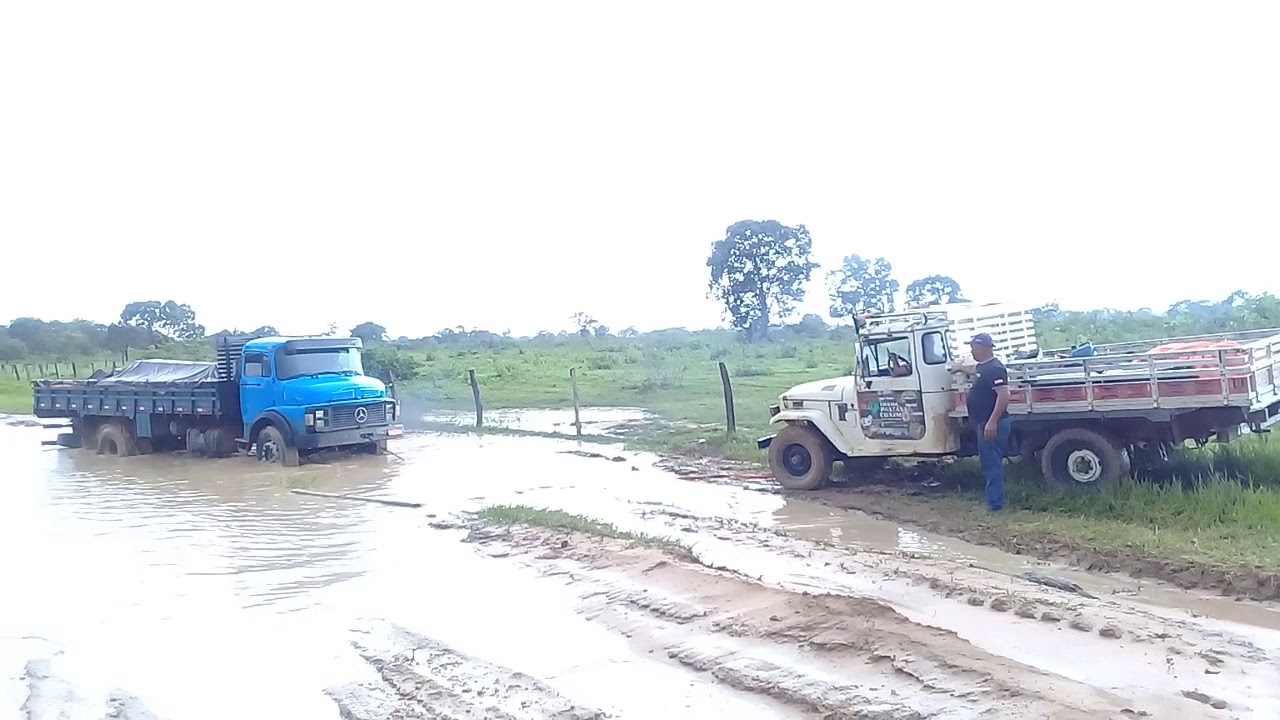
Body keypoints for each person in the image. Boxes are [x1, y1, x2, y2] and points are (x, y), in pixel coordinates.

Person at [950, 333, 1011, 511]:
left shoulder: (995, 369)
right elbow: (975, 370)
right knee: (988, 462)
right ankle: (993, 501)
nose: (971, 350)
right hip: (983, 422)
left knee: (992, 464)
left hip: (991, 424)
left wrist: (992, 422)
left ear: (983, 348)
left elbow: (1003, 395)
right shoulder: (983, 368)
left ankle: (995, 506)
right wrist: (960, 368)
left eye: (974, 347)